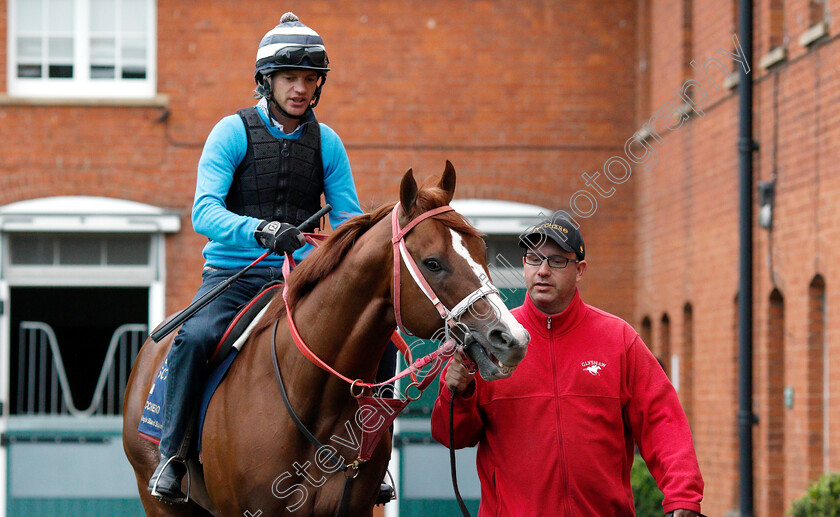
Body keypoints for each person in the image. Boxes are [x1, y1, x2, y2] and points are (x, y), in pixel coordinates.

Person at [148, 13, 365, 502]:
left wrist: (332, 247)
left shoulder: (328, 143)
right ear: (266, 81)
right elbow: (204, 212)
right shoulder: (230, 132)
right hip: (235, 274)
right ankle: (173, 455)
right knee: (194, 337)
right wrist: (263, 231)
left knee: (369, 329)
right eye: (290, 78)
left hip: (300, 277)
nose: (300, 89)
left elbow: (349, 221)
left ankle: (367, 452)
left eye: (310, 79)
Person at [430, 211, 704, 516]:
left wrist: (683, 497)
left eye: (556, 260)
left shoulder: (618, 339)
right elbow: (452, 435)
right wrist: (458, 389)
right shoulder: (492, 338)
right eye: (534, 259)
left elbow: (662, 419)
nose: (543, 270)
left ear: (580, 270)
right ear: (524, 265)